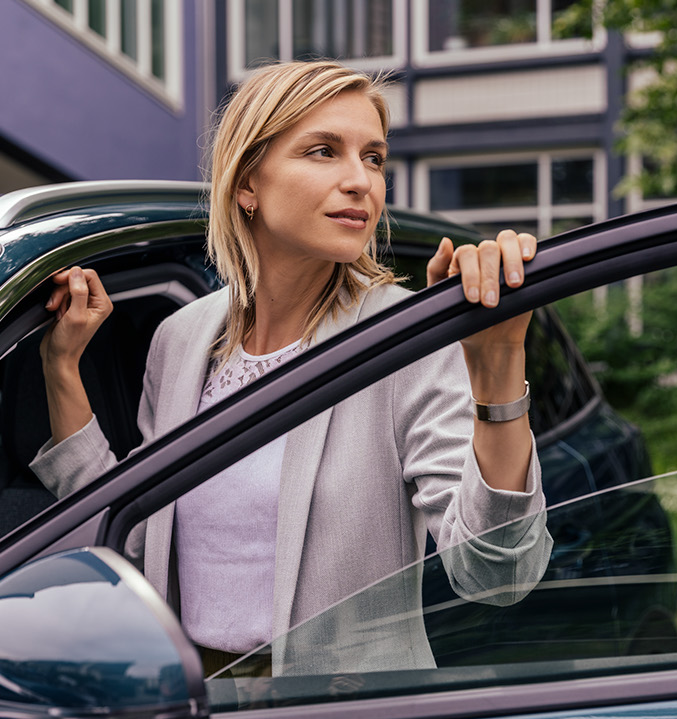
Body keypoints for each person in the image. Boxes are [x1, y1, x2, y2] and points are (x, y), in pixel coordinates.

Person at [30, 60, 552, 677]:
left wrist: (495, 368)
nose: (361, 181)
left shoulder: (405, 338)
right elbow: (137, 543)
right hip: (186, 709)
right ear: (247, 183)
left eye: (375, 158)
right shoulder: (180, 339)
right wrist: (62, 367)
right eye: (324, 151)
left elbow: (496, 575)